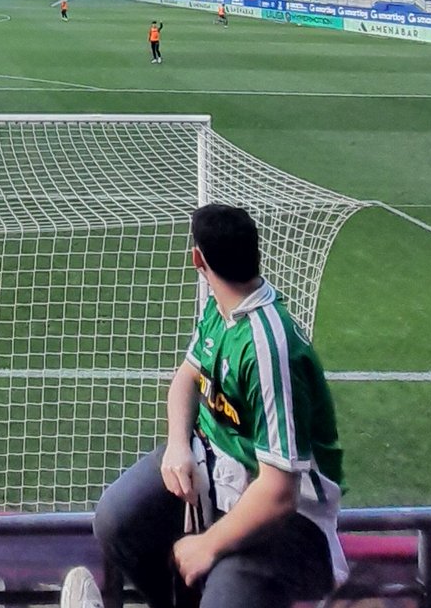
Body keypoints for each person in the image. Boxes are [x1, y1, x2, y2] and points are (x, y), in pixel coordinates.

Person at [76, 204, 346, 608]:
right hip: (214, 465)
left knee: (226, 592)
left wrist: (207, 544)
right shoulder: (220, 307)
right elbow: (187, 377)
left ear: (197, 258)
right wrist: (177, 445)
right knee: (117, 520)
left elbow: (279, 491)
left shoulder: (268, 350)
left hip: (287, 519)